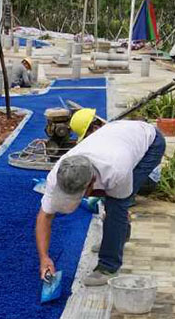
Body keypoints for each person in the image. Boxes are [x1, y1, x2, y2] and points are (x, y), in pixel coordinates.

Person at [35, 109, 166, 286]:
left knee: (115, 206)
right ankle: (116, 238)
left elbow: (119, 205)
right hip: (116, 137)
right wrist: (44, 258)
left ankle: (109, 266)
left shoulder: (116, 170)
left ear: (92, 181)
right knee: (111, 202)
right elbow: (45, 216)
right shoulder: (58, 173)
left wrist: (114, 224)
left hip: (150, 142)